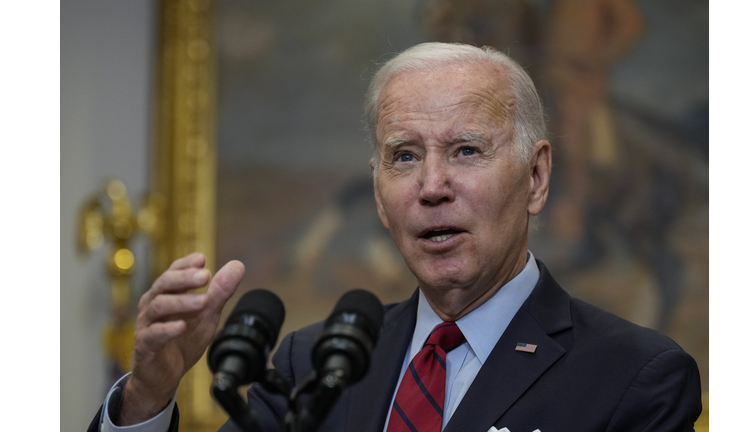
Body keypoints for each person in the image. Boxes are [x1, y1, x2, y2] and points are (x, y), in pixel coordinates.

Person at [88, 42, 701, 432]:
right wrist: (148, 396)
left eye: (466, 150)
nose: (432, 186)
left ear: (536, 178)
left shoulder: (634, 377)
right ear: (379, 194)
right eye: (405, 156)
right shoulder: (310, 364)